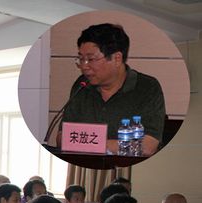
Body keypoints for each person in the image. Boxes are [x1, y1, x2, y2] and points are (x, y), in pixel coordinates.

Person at [60, 23, 165, 156]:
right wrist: (112, 145)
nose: (84, 66)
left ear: (117, 58)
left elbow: (148, 146)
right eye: (81, 59)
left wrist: (92, 144)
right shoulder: (82, 85)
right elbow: (61, 138)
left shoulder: (147, 87)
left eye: (91, 59)